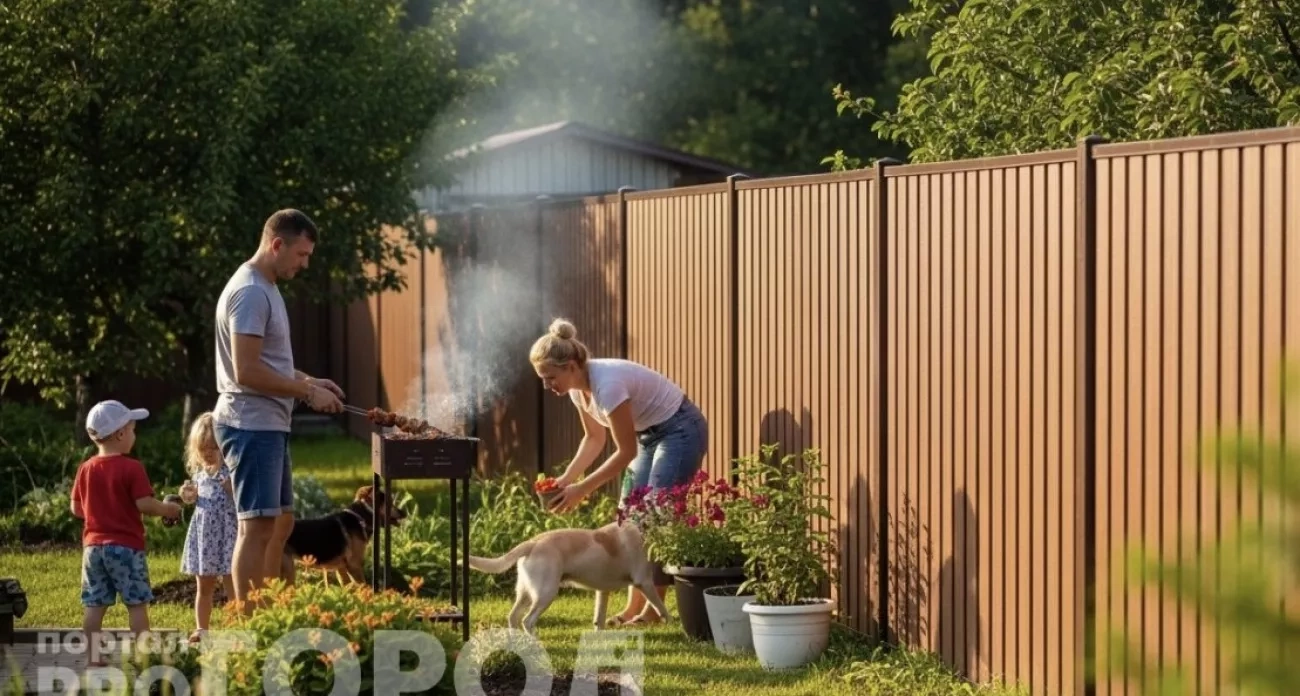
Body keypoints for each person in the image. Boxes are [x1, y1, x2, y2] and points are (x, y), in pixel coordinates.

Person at [531, 318, 709, 626]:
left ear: (571, 365)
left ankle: (653, 612)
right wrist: (566, 481)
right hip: (649, 436)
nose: (547, 386)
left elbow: (625, 452)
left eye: (550, 377)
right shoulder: (577, 390)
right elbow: (594, 438)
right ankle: (633, 607)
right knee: (629, 517)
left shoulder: (607, 385)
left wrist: (582, 489)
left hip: (680, 429)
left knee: (654, 517)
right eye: (543, 379)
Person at [213, 208, 344, 613]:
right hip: (249, 426)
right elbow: (247, 370)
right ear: (276, 244)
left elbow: (268, 362)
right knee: (255, 528)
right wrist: (304, 393)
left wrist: (309, 381)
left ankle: (269, 609)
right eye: (301, 254)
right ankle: (248, 624)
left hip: (268, 425)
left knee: (280, 522)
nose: (304, 264)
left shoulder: (267, 287)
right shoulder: (251, 291)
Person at [71, 400, 183, 666]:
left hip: (93, 549)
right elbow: (144, 504)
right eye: (133, 430)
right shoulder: (131, 467)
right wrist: (168, 510)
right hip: (125, 548)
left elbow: (76, 509)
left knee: (94, 605)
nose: (134, 435)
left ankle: (93, 657)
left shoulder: (85, 468)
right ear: (121, 434)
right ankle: (144, 656)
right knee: (136, 604)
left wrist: (101, 511)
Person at [177, 412, 236, 643]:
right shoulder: (199, 475)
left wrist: (230, 488)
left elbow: (239, 500)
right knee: (204, 586)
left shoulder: (229, 473)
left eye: (213, 448)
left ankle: (237, 625)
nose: (208, 453)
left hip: (228, 534)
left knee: (233, 584)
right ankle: (202, 628)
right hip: (205, 538)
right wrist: (187, 496)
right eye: (202, 449)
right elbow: (193, 500)